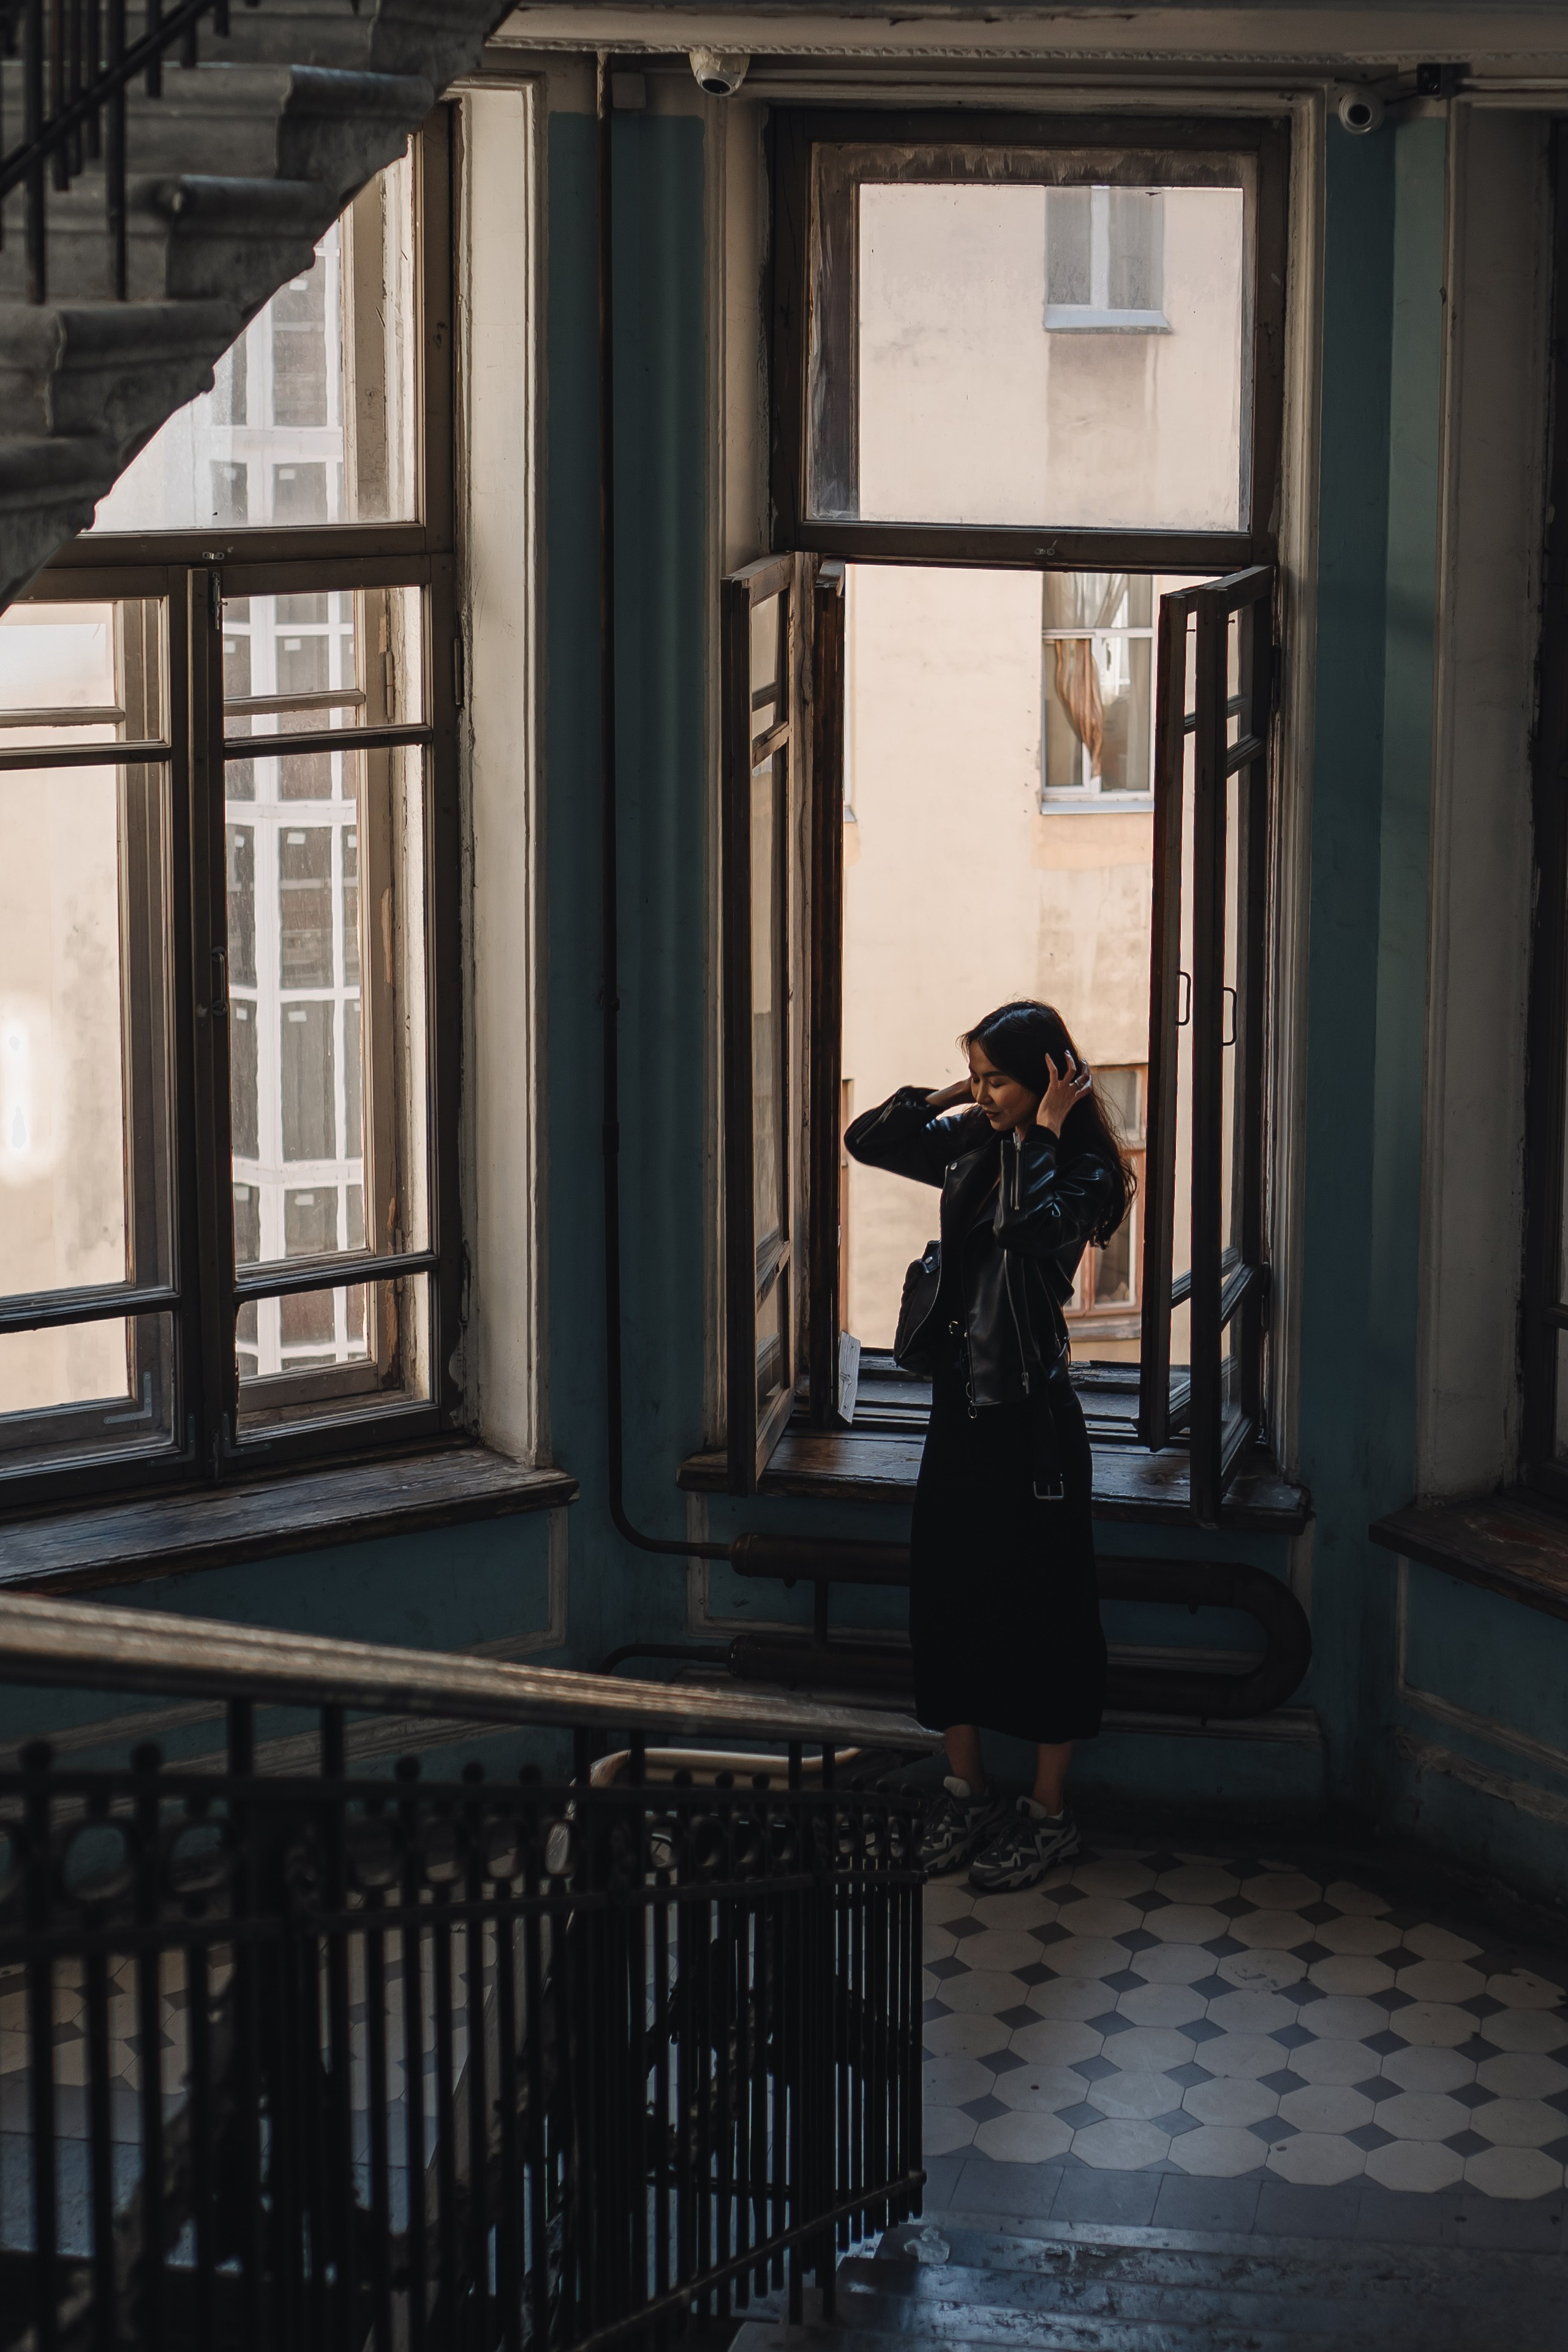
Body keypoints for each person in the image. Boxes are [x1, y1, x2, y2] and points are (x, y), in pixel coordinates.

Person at [844, 1000, 1136, 1890]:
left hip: (1034, 1424)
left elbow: (1029, 1229)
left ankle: (1048, 1813)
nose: (982, 1093)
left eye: (996, 1077)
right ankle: (966, 1789)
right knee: (947, 1599)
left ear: (1051, 1078)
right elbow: (867, 1138)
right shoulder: (970, 1133)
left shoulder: (1087, 1168)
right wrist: (953, 1093)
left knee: (1048, 1614)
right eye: (975, 1076)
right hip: (961, 1411)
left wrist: (1039, 1130)